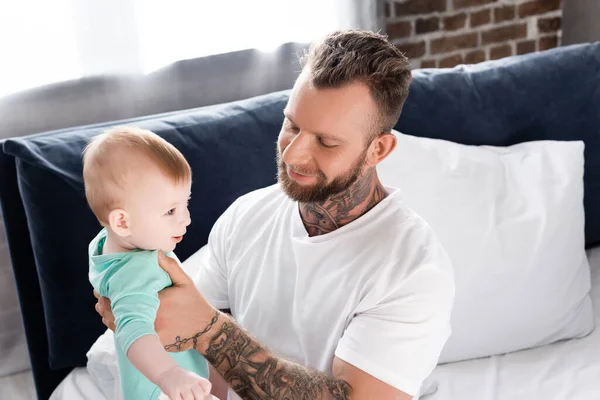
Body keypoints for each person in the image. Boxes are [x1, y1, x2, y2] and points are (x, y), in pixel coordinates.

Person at [95, 29, 455, 400]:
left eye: (326, 142)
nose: (293, 154)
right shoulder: (245, 217)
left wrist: (213, 332)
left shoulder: (413, 269)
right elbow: (198, 360)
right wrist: (139, 309)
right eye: (292, 125)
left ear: (378, 149)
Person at [83, 127, 214, 400]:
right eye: (170, 211)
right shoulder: (138, 270)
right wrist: (169, 374)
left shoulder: (104, 246)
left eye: (185, 203)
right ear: (122, 222)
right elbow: (134, 330)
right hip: (167, 390)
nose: (186, 219)